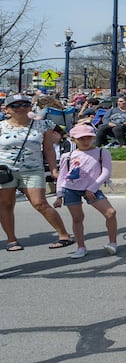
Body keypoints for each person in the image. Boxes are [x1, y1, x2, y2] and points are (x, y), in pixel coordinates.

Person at [1, 93, 73, 252]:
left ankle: (64, 235)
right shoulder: (1, 126)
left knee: (39, 203)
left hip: (33, 170)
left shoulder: (43, 125)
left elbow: (48, 149)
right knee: (5, 205)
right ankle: (12, 240)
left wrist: (54, 168)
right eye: (15, 105)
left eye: (25, 105)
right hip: (5, 171)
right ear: (6, 109)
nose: (21, 108)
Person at [53, 124, 119, 258]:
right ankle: (81, 247)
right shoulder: (68, 155)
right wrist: (59, 195)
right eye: (81, 138)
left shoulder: (102, 152)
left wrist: (92, 188)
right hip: (70, 189)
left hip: (91, 188)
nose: (85, 141)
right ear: (73, 140)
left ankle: (113, 243)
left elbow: (106, 172)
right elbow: (62, 176)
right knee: (77, 218)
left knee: (110, 213)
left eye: (88, 137)